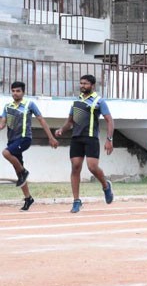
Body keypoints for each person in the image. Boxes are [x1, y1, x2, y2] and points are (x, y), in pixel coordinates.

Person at [55, 74, 115, 213]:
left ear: (92, 86)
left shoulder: (99, 101)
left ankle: (106, 186)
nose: (82, 86)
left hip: (91, 138)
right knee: (75, 167)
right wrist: (61, 130)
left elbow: (109, 120)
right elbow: (70, 121)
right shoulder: (77, 102)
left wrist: (109, 139)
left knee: (92, 167)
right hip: (76, 138)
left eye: (85, 84)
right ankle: (76, 201)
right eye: (81, 83)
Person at [0, 81, 59, 211]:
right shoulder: (7, 106)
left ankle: (24, 172)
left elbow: (41, 120)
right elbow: (2, 124)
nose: (15, 93)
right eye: (13, 91)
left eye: (18, 91)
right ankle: (28, 198)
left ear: (23, 92)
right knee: (18, 173)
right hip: (12, 141)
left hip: (24, 138)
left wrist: (51, 137)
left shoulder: (29, 104)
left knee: (5, 153)